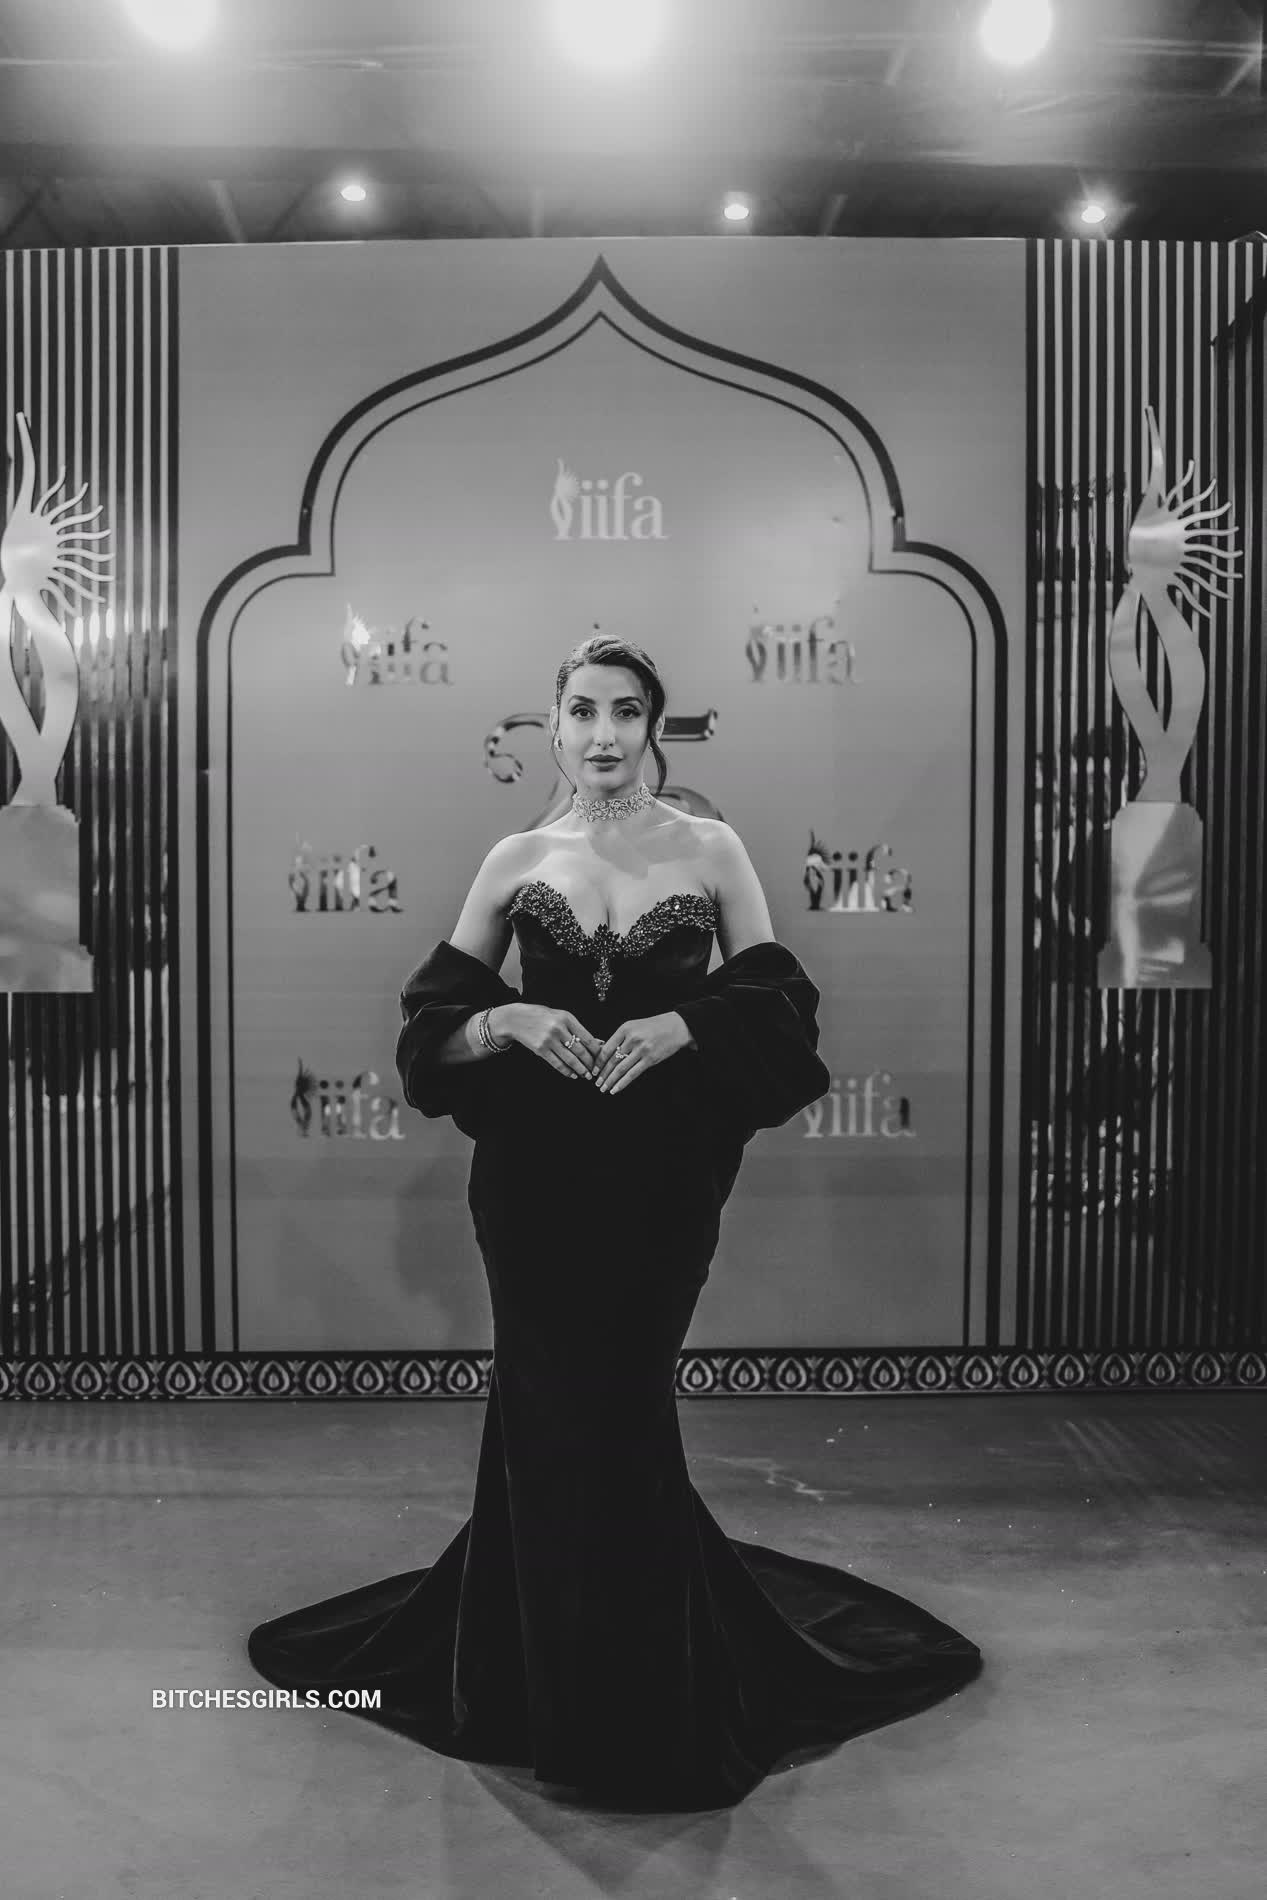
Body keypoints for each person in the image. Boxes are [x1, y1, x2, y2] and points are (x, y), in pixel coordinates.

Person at [247, 633, 982, 1810]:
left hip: (660, 1182)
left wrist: (687, 1024)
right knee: (548, 1417)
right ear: (552, 724)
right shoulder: (516, 858)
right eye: (582, 710)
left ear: (652, 723)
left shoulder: (709, 848)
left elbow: (782, 1010)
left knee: (618, 1411)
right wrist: (509, 1021)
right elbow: (427, 1030)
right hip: (533, 1182)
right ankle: (548, 1691)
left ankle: (623, 1699)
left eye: (625, 711)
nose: (602, 733)